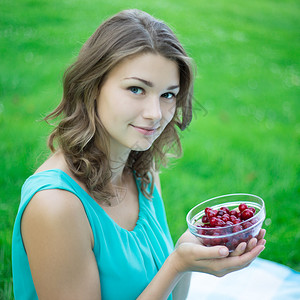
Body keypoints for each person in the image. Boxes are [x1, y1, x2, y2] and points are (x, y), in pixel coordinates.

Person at [12, 9, 266, 300]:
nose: (155, 114)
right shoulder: (56, 206)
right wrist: (176, 265)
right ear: (92, 86)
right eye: (136, 89)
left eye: (168, 94)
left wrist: (190, 253)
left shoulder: (142, 172)